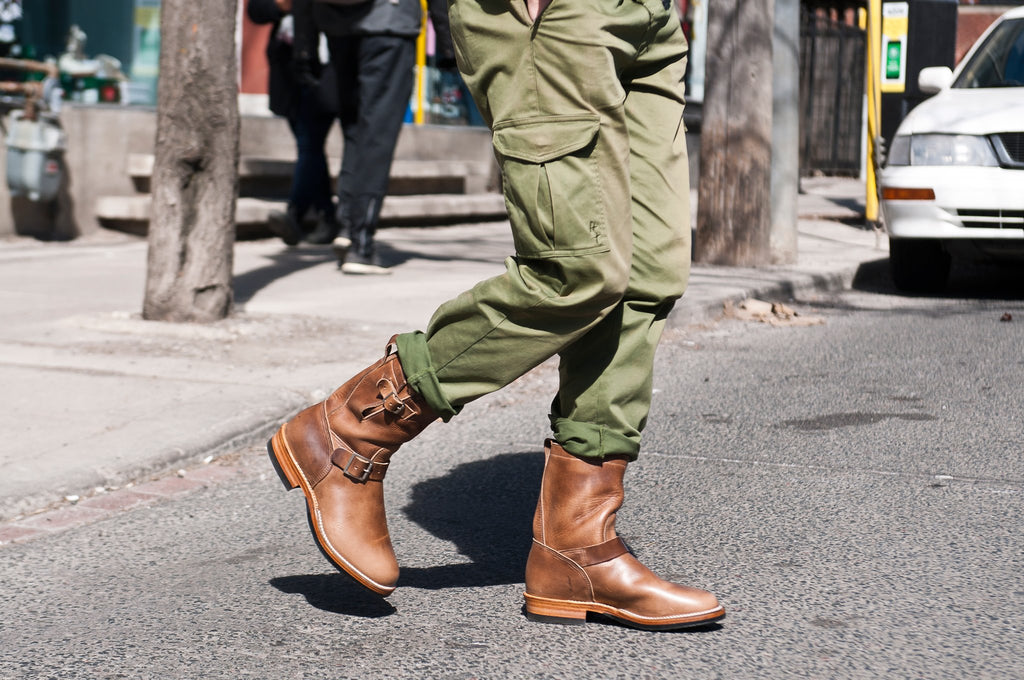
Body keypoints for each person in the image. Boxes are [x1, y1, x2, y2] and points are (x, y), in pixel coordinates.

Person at [267, 0, 726, 630]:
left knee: (647, 275)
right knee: (577, 267)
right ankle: (357, 425)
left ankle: (577, 549)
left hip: (646, 16)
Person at [291, 0, 456, 274]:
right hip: (391, 23)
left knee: (354, 129)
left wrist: (304, 45)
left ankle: (347, 224)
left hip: (337, 26)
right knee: (377, 132)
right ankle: (361, 244)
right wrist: (448, 42)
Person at [248, 0, 340, 247]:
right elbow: (255, 11)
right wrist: (281, 6)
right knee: (308, 143)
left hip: (324, 67)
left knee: (310, 139)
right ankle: (328, 216)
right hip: (286, 70)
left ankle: (295, 213)